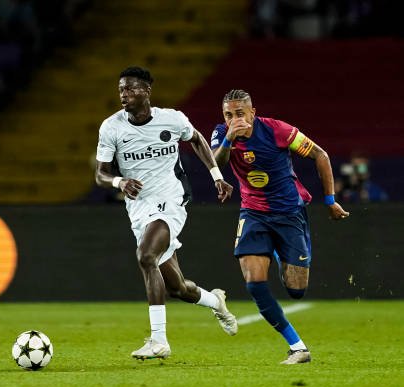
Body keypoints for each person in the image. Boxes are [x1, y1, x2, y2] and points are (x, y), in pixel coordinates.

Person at [95, 66, 238, 360]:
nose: (124, 94)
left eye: (130, 88)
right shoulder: (111, 127)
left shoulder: (172, 119)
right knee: (178, 288)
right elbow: (101, 174)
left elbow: (196, 139)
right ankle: (216, 302)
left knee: (146, 256)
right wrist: (119, 182)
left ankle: (159, 341)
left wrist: (216, 176)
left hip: (171, 199)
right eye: (121, 89)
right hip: (139, 207)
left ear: (147, 91)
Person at [210, 89, 350, 364]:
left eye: (240, 113)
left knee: (296, 289)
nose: (234, 119)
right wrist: (228, 138)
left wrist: (331, 201)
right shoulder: (221, 133)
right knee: (254, 283)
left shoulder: (278, 130)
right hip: (253, 213)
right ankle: (298, 347)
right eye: (228, 114)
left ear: (253, 112)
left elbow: (320, 155)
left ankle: (276, 250)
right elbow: (216, 163)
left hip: (289, 213)